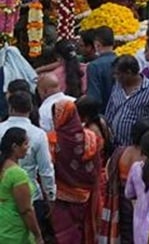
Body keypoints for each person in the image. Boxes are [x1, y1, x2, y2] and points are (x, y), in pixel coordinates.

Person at [50, 97, 103, 244]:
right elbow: (97, 164)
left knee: (65, 235)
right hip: (85, 194)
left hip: (60, 197)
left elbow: (49, 169)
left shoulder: (52, 140)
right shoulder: (91, 137)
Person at [0, 89, 52, 224]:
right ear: (30, 108)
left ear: (10, 108)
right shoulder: (38, 134)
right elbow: (46, 170)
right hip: (31, 197)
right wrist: (50, 197)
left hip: (3, 199)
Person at [107, 56, 149, 149]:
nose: (115, 77)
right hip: (116, 147)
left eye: (118, 74)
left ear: (128, 73)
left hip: (138, 150)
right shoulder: (117, 86)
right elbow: (110, 111)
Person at [0, 128, 44, 244]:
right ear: (15, 147)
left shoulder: (3, 167)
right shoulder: (17, 174)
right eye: (25, 144)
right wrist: (38, 235)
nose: (28, 148)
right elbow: (26, 210)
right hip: (15, 229)